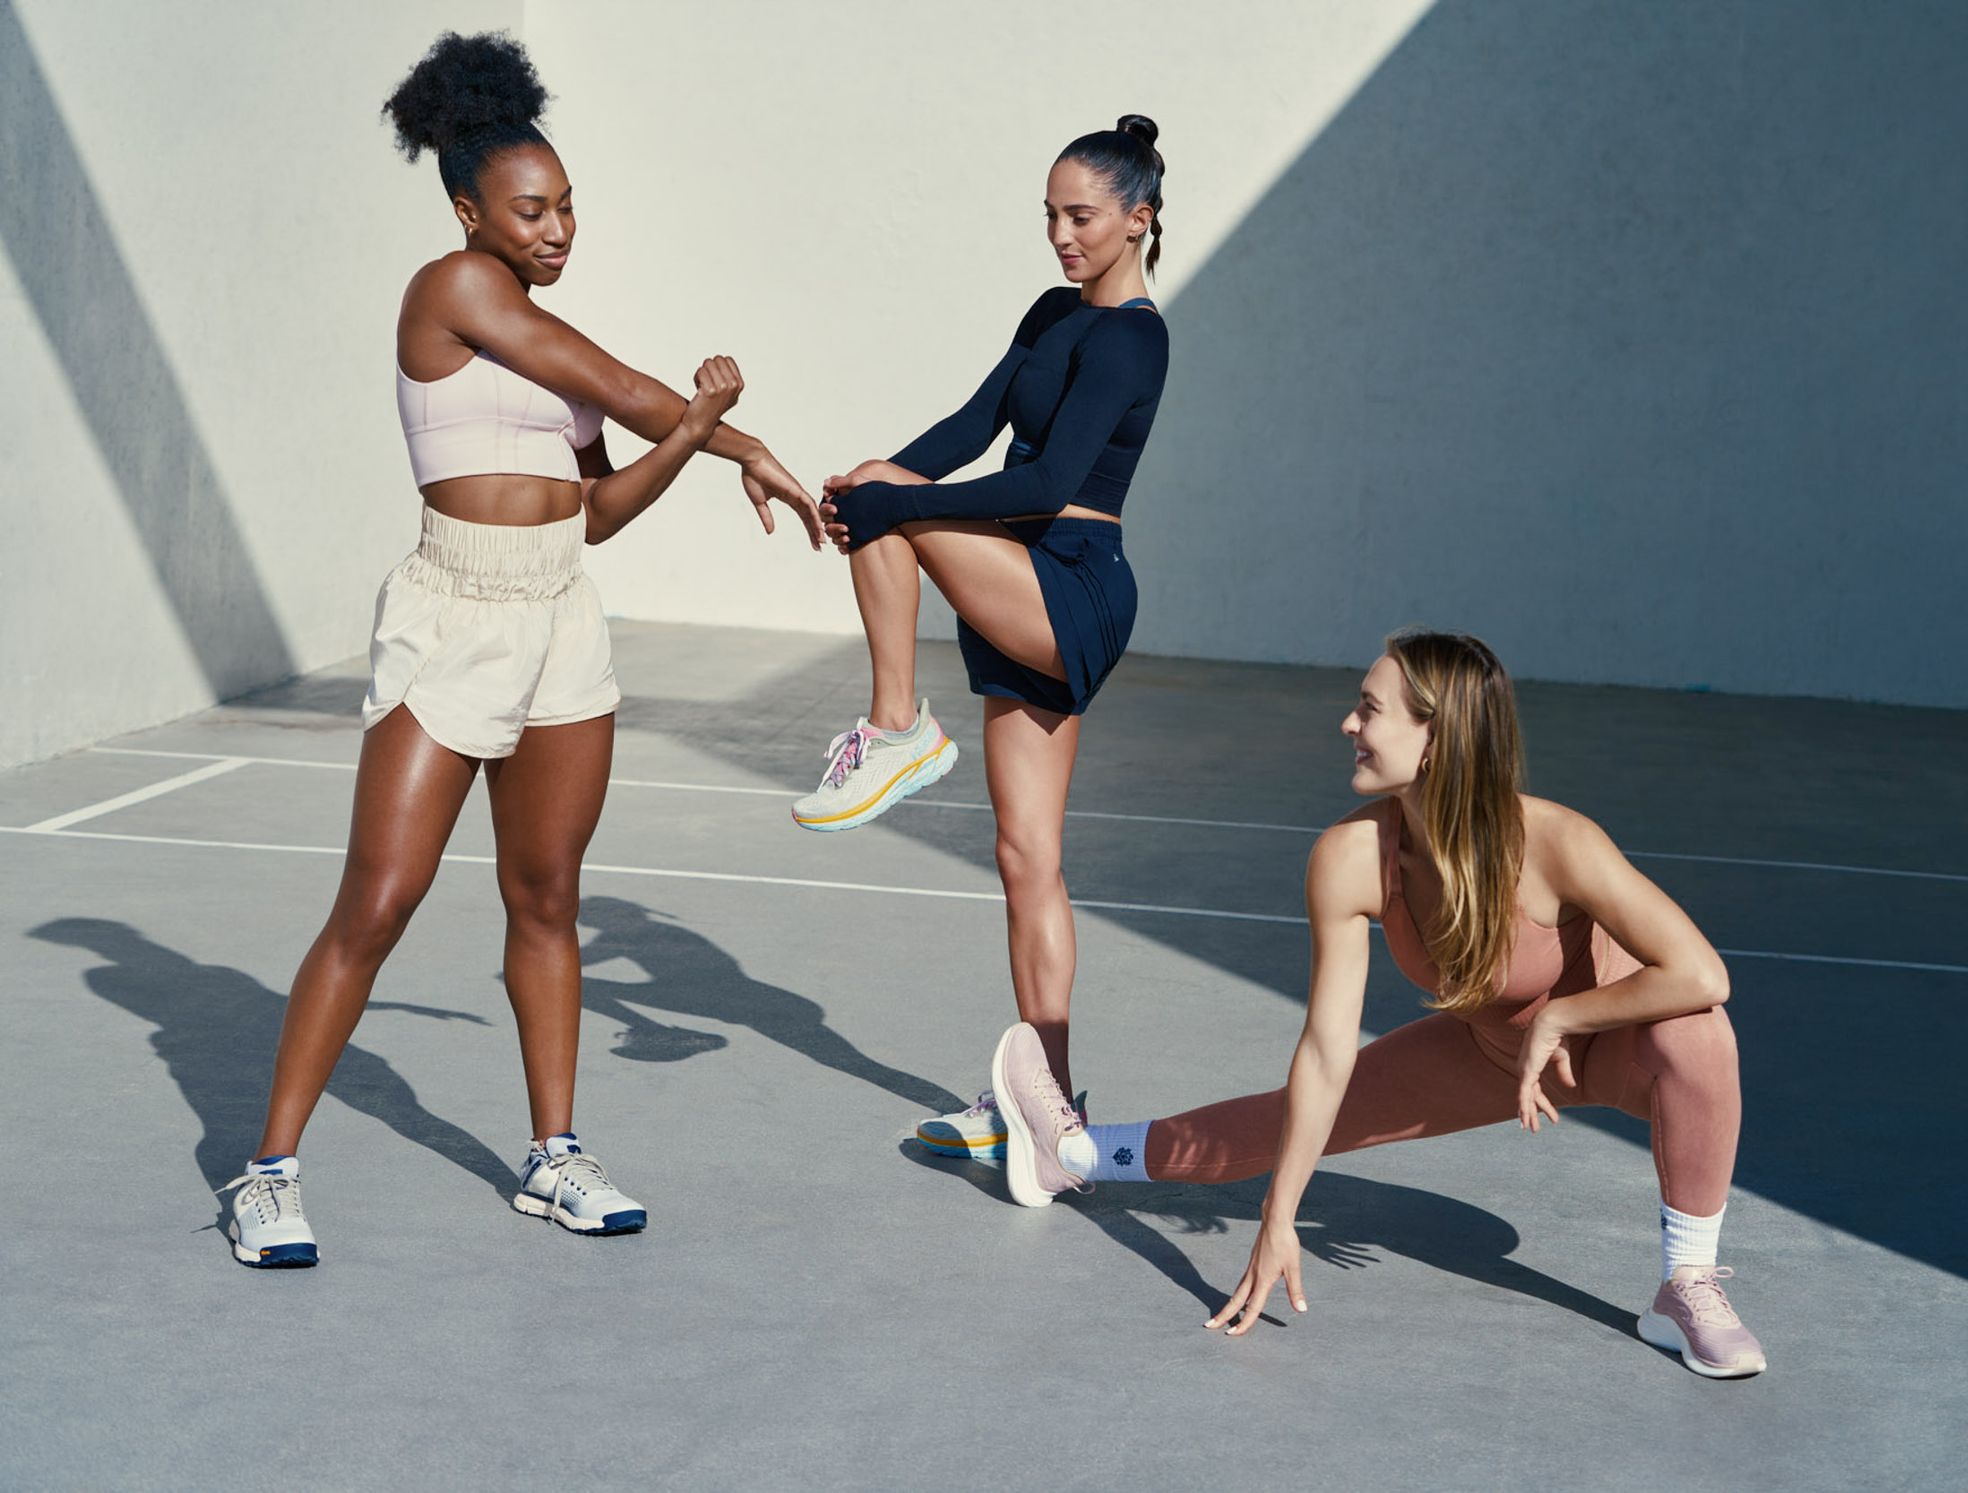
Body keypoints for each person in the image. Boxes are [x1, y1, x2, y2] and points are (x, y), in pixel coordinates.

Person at [220, 30, 821, 1268]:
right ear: (468, 212)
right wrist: (739, 441)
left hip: (560, 617)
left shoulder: (554, 350)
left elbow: (597, 511)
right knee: (379, 898)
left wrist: (692, 439)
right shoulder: (452, 290)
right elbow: (628, 384)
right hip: (454, 609)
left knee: (546, 897)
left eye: (566, 207)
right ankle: (267, 1170)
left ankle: (555, 1155)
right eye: (531, 210)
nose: (557, 229)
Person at [986, 630, 1766, 1378]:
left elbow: (1701, 972)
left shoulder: (1557, 841)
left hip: (1616, 1047)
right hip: (1490, 1054)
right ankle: (1073, 1154)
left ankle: (1686, 1285)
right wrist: (1279, 1215)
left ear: (1437, 737)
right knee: (1289, 1117)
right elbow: (1326, 1052)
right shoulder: (1351, 856)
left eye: (1370, 708)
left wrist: (1564, 1016)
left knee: (1698, 1034)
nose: (1348, 723)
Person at [807, 117, 1171, 1149]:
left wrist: (896, 504)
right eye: (1049, 215)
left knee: (895, 499)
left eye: (1081, 216)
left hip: (1071, 581)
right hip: (1014, 573)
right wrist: (868, 488)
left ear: (1137, 219)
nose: (1060, 235)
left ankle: (896, 729)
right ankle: (1042, 1100)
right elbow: (972, 428)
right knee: (1026, 857)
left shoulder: (1135, 336)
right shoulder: (1052, 312)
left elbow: (1049, 481)